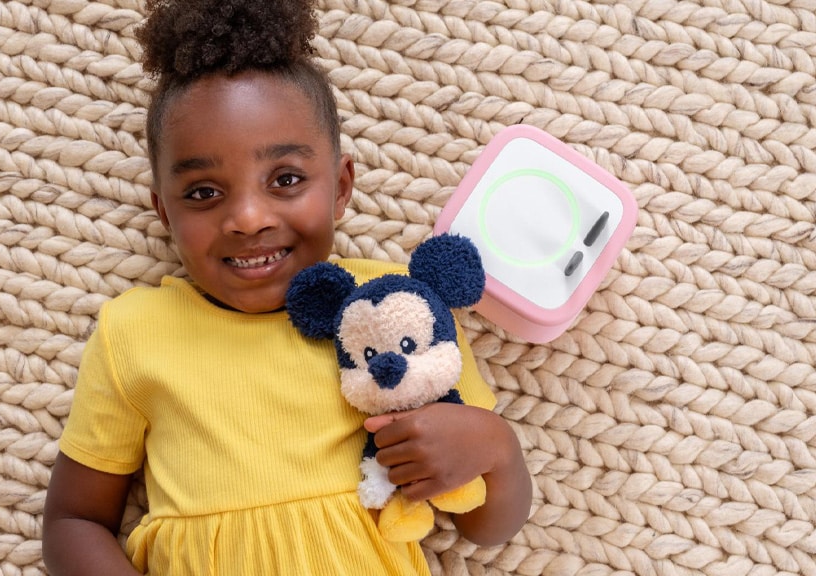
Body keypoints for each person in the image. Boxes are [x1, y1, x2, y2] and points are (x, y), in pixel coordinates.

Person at [40, 0, 532, 574]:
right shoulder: (134, 335)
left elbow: (487, 525)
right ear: (164, 212)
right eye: (203, 193)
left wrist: (495, 447)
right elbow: (73, 521)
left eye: (286, 179)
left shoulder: (397, 309)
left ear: (341, 187)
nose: (248, 219)